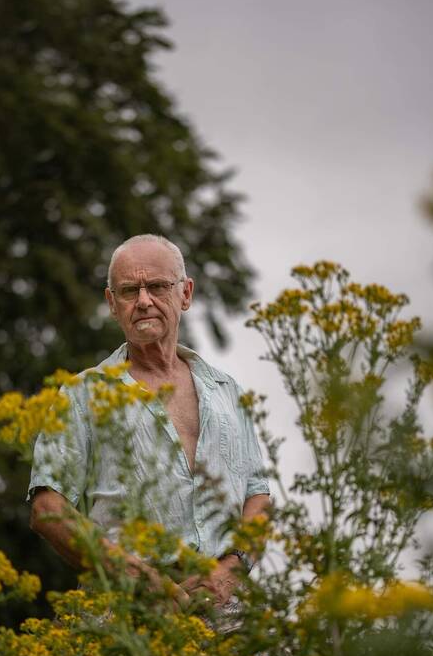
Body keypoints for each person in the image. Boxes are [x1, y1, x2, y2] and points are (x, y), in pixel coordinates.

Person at [29, 234, 271, 609]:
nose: (144, 301)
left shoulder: (228, 391)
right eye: (129, 291)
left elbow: (258, 495)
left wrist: (230, 571)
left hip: (226, 608)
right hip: (123, 611)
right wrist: (131, 576)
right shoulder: (82, 394)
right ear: (112, 303)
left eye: (158, 286)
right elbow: (47, 509)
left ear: (185, 294)